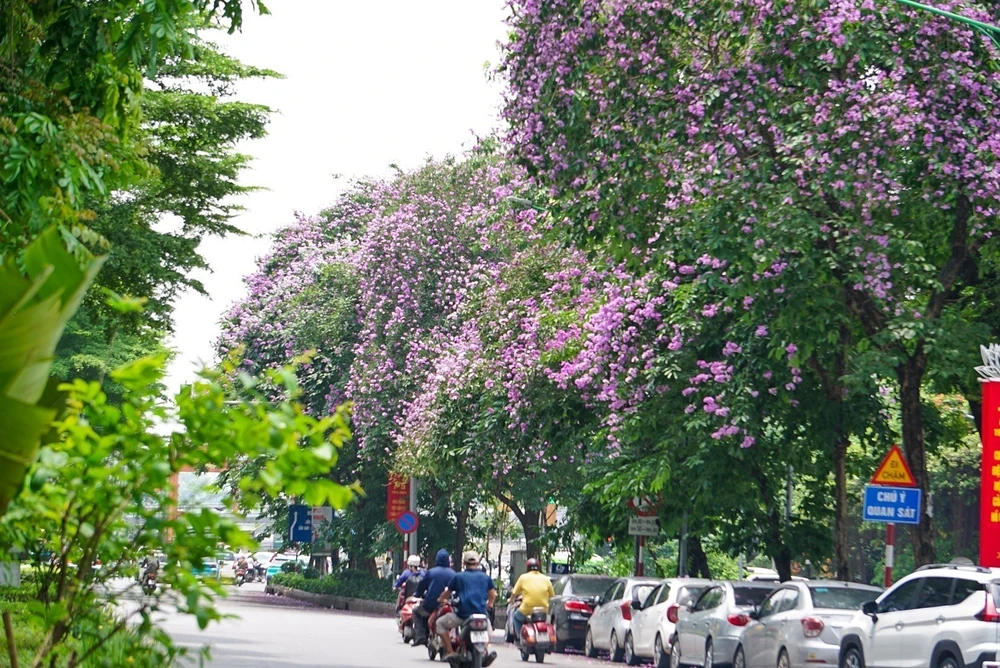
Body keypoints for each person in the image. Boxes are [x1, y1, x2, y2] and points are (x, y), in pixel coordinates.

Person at [436, 551, 497, 665]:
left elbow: (446, 594)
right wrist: (489, 604)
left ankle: (450, 651)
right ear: (478, 563)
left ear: (464, 563)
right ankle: (484, 650)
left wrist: (442, 600)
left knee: (440, 623)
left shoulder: (458, 576)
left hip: (462, 616)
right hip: (481, 615)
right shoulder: (485, 577)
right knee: (488, 630)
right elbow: (492, 595)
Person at [413, 549, 454, 646]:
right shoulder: (453, 574)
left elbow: (422, 586)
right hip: (449, 603)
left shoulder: (431, 572)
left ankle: (420, 636)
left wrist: (417, 594)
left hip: (431, 604)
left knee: (415, 611)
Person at [510, 557, 555, 642]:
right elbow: (552, 596)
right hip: (543, 610)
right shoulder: (545, 579)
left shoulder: (523, 577)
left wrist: (511, 600)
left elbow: (514, 593)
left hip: (527, 608)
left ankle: (520, 638)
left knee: (516, 617)